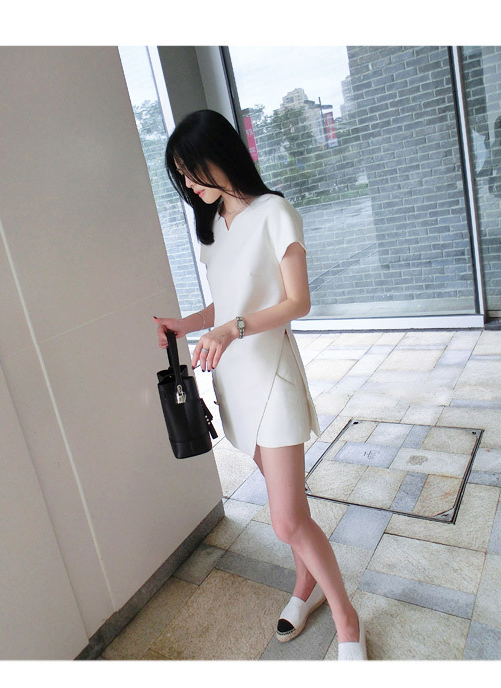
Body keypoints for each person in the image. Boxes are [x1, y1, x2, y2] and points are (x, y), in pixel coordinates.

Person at [153, 109, 367, 660]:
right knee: (290, 511)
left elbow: (298, 301)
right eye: (181, 177)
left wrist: (233, 329)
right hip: (235, 384)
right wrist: (186, 324)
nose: (189, 185)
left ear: (220, 156)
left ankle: (348, 621)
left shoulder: (275, 213)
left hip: (272, 378)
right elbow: (225, 303)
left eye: (192, 171)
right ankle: (305, 587)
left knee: (286, 519)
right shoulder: (212, 229)